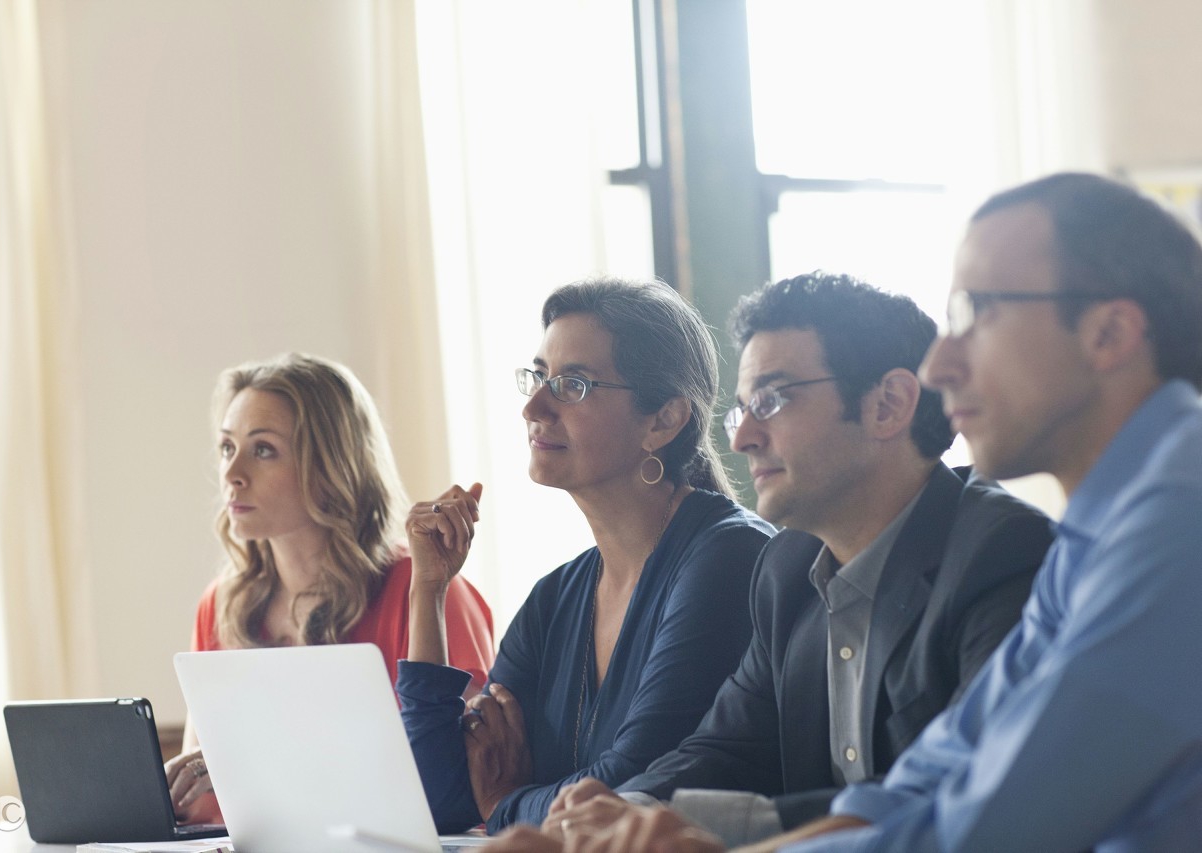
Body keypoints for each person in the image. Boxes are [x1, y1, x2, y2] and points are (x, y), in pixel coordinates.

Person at [534, 172, 1202, 851]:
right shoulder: (1098, 535)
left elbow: (991, 828)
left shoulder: (1177, 523)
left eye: (977, 313)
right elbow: (921, 788)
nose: (940, 365)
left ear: (1110, 332)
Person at [505, 272, 1053, 850]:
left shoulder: (1000, 554)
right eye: (743, 409)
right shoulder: (788, 568)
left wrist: (722, 829)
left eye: (771, 400)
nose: (742, 438)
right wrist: (619, 813)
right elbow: (724, 751)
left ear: (887, 405)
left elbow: (960, 796)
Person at [398, 277, 776, 834]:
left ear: (663, 420)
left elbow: (629, 787)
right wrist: (428, 589)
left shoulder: (728, 559)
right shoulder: (554, 598)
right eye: (538, 377)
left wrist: (503, 804)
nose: (533, 406)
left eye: (572, 385)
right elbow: (441, 801)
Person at [164, 353, 495, 825]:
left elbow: (461, 784)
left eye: (263, 450)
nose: (232, 473)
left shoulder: (424, 588)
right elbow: (198, 805)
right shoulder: (221, 605)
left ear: (330, 466)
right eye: (226, 447)